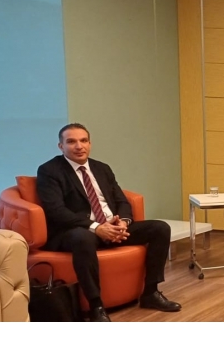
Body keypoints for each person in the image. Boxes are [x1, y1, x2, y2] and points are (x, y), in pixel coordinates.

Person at [36, 123, 181, 322]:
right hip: (78, 230)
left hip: (111, 225)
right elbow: (56, 210)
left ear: (90, 143)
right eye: (71, 142)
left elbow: (122, 200)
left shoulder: (101, 168)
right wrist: (96, 227)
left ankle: (150, 293)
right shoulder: (49, 171)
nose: (79, 146)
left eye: (83, 140)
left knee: (159, 228)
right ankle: (96, 305)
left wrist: (123, 223)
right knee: (82, 238)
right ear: (61, 146)